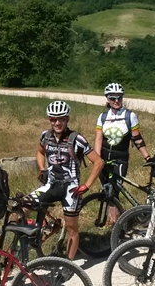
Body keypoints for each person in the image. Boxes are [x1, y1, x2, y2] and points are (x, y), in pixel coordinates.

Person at [25, 101, 104, 260]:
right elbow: (40, 152)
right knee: (22, 207)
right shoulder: (45, 136)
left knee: (71, 229)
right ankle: (37, 233)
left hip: (71, 188)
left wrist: (86, 186)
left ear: (67, 119)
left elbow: (99, 161)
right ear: (50, 120)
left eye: (61, 119)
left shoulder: (77, 139)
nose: (57, 123)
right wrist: (41, 168)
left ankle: (68, 264)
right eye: (53, 119)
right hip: (51, 184)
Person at [94, 83, 151, 221]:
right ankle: (114, 221)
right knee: (107, 191)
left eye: (119, 97)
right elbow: (98, 139)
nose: (116, 101)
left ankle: (117, 224)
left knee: (114, 191)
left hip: (120, 159)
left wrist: (147, 157)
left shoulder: (130, 116)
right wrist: (96, 159)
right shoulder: (102, 117)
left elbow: (137, 138)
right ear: (107, 99)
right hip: (104, 158)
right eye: (112, 98)